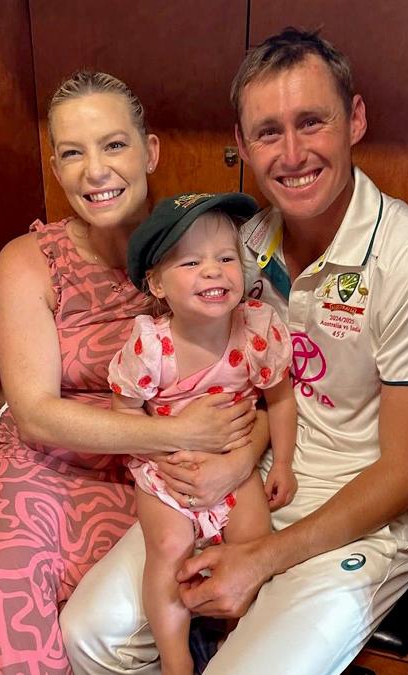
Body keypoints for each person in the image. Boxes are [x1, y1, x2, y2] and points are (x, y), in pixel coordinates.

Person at [61, 28, 408, 675]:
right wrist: (234, 463)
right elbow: (248, 388)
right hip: (246, 484)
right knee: (90, 630)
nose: (293, 152)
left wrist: (261, 557)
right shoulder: (245, 247)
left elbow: (406, 471)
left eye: (312, 122)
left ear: (355, 119)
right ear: (244, 144)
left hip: (357, 521)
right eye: (268, 131)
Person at [0, 71, 267, 675]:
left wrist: (238, 453)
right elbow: (35, 413)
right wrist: (178, 435)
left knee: (142, 612)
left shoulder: (201, 251)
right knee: (9, 603)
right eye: (72, 153)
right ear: (54, 166)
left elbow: (250, 386)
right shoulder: (28, 262)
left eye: (114, 145)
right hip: (43, 467)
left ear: (149, 151)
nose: (94, 171)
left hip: (154, 478)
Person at [108, 193, 297, 675]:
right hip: (165, 468)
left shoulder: (257, 329)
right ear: (157, 283)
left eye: (226, 258)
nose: (213, 271)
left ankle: (235, 648)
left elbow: (279, 398)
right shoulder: (150, 345)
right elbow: (122, 414)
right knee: (168, 550)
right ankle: (177, 665)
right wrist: (163, 444)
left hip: (234, 463)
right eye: (192, 262)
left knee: (253, 542)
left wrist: (285, 464)